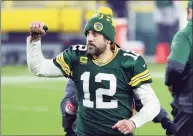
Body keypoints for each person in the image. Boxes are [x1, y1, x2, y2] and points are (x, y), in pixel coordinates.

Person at [27, 7, 161, 136]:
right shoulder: (76, 55)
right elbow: (39, 68)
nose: (89, 38)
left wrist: (133, 122)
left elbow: (153, 104)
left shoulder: (129, 61)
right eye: (88, 33)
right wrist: (35, 40)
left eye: (95, 34)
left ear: (108, 39)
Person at [61, 79, 177, 136]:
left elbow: (143, 103)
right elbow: (65, 107)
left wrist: (166, 121)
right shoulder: (78, 76)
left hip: (115, 130)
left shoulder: (120, 77)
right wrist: (78, 99)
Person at [165, 1, 193, 136]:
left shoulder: (185, 35)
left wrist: (170, 84)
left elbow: (174, 68)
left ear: (189, 11)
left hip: (188, 106)